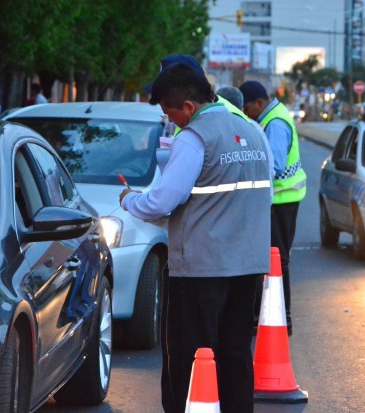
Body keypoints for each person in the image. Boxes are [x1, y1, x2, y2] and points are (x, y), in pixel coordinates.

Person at [120, 61, 271, 413]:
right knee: (235, 353)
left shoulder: (194, 138)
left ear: (188, 107)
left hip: (200, 269)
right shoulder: (252, 131)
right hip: (247, 265)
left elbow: (163, 201)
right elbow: (264, 196)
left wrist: (129, 200)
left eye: (170, 114)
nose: (171, 122)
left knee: (189, 357)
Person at [239, 80, 307, 335]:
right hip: (279, 200)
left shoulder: (275, 123)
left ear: (259, 103)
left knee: (278, 260)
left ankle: (282, 317)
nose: (246, 114)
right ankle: (272, 316)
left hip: (281, 200)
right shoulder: (271, 118)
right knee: (273, 259)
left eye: (247, 108)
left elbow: (274, 166)